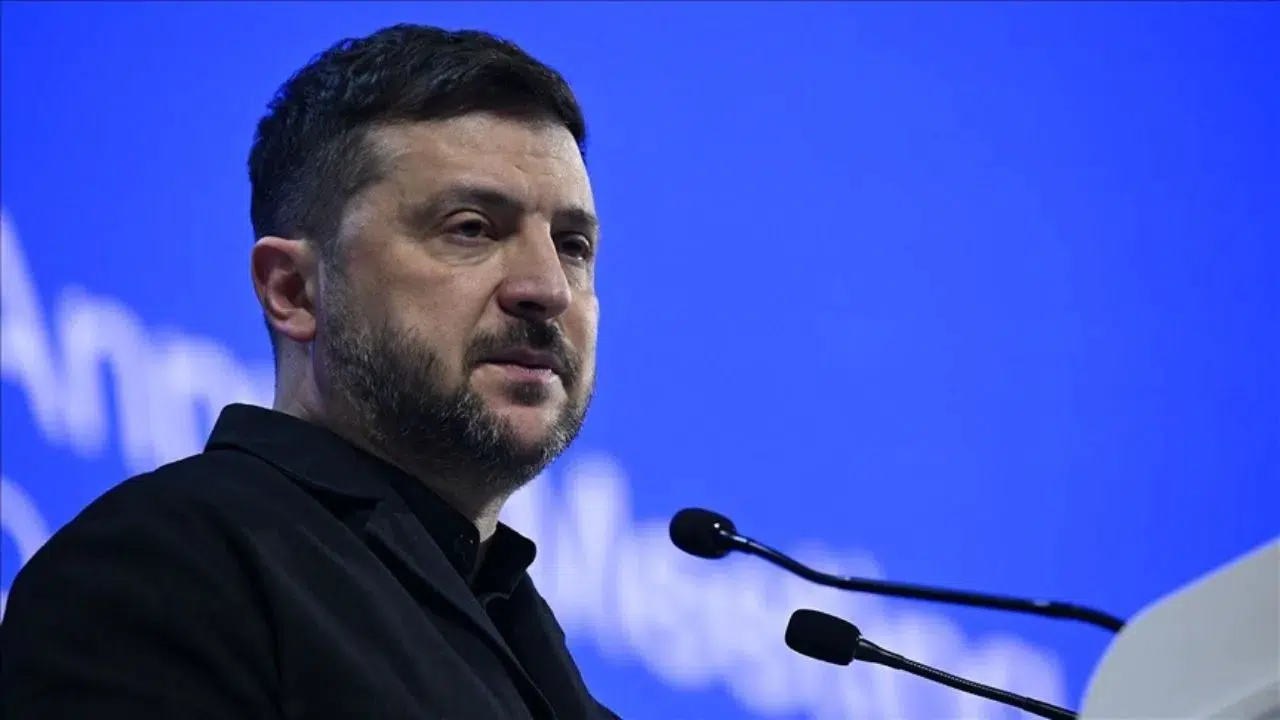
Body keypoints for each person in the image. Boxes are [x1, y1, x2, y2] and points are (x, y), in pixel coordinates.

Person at [0, 23, 618, 719]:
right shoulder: (164, 566)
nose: (548, 288)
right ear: (293, 290)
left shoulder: (537, 655)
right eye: (471, 227)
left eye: (573, 245)